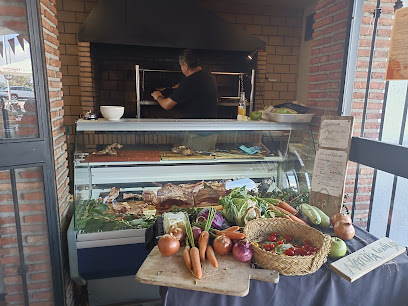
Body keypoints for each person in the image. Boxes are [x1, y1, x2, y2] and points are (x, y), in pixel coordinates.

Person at [151, 49, 218, 119]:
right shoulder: (210, 76)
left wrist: (158, 96)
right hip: (210, 124)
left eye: (181, 66)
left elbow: (166, 105)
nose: (181, 68)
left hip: (193, 125)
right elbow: (196, 85)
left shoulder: (189, 81)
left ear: (186, 65)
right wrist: (181, 86)